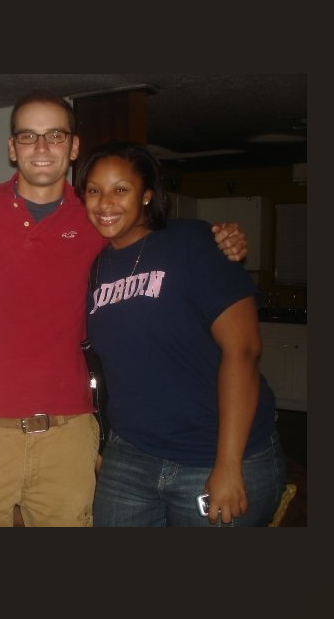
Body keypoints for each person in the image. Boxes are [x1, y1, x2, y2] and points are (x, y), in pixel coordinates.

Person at [0, 91, 249, 527]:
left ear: (74, 146)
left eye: (55, 135)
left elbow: (153, 235)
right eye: (28, 136)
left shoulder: (95, 214)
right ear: (12, 147)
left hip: (69, 432)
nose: (42, 148)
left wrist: (216, 237)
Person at [75, 141, 286, 526]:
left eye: (120, 189)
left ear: (147, 195)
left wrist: (228, 463)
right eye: (94, 190)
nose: (105, 202)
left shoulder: (191, 242)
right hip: (132, 453)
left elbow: (243, 350)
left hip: (214, 451)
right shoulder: (93, 267)